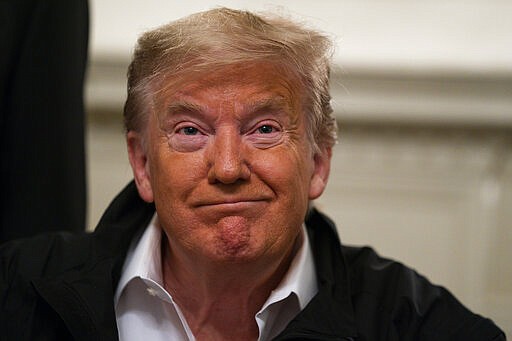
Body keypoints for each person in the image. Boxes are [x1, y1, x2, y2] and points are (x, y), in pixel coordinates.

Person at [0, 7, 505, 341]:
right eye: (190, 131)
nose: (226, 167)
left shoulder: (418, 327)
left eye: (263, 129)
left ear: (318, 161)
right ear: (143, 164)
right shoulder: (16, 292)